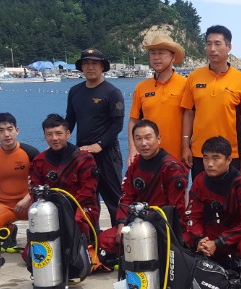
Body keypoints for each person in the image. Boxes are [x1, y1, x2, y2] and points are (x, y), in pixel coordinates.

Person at [184, 136, 241, 279]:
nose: (210, 164)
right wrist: (200, 240)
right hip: (225, 230)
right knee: (188, 236)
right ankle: (223, 263)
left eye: (216, 158)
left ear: (229, 160)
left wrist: (218, 242)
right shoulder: (200, 181)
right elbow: (193, 216)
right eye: (206, 158)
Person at [180, 25, 241, 179]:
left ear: (229, 47)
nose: (212, 49)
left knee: (230, 193)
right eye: (208, 44)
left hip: (230, 154)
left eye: (217, 44)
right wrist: (185, 146)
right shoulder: (194, 77)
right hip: (200, 153)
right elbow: (188, 113)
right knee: (200, 192)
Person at [66, 48, 125, 225]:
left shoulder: (112, 92)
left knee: (114, 200)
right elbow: (70, 120)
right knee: (86, 200)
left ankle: (119, 237)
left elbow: (117, 125)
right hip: (83, 153)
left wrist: (99, 145)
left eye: (94, 63)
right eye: (86, 63)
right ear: (81, 67)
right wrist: (59, 142)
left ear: (102, 67)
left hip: (107, 153)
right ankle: (91, 237)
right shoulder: (75, 91)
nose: (90, 67)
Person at [108, 119, 189, 243]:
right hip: (137, 223)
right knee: (105, 240)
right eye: (138, 139)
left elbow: (176, 210)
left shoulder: (172, 168)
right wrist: (121, 224)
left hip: (164, 227)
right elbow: (126, 198)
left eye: (148, 138)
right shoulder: (135, 164)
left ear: (158, 139)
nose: (143, 143)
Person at [29, 114, 100, 236]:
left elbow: (88, 192)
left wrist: (64, 209)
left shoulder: (84, 159)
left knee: (77, 221)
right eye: (49, 134)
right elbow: (35, 189)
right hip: (50, 206)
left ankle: (85, 242)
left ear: (68, 134)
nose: (54, 138)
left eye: (59, 133)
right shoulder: (39, 161)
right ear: (45, 136)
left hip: (81, 206)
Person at [0, 113, 39, 243]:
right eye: (1, 130)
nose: (7, 134)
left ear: (17, 130)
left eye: (10, 129)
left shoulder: (30, 153)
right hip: (4, 204)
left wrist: (27, 199)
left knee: (47, 221)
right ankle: (10, 230)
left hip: (30, 202)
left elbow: (42, 181)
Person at [127, 35, 187, 163]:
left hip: (177, 158)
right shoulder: (141, 87)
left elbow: (192, 119)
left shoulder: (186, 85)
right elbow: (133, 120)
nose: (156, 57)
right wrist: (132, 148)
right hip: (148, 157)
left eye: (161, 53)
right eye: (153, 53)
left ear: (173, 57)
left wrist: (187, 147)